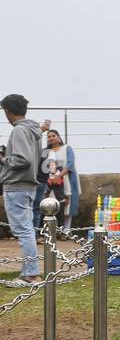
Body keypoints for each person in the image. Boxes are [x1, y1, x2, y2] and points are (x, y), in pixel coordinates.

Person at [1, 94, 48, 283]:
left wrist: (4, 159)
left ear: (7, 111)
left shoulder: (19, 131)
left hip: (17, 185)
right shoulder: (33, 130)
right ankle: (28, 272)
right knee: (27, 228)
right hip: (28, 184)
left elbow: (22, 159)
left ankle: (31, 274)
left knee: (23, 230)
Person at [35, 128, 79, 235]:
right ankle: (48, 231)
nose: (51, 138)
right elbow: (42, 167)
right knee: (47, 205)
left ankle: (65, 231)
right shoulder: (45, 151)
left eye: (53, 136)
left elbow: (70, 164)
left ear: (58, 137)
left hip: (66, 179)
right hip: (48, 181)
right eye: (49, 136)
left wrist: (59, 176)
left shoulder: (66, 148)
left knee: (65, 206)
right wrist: (51, 178)